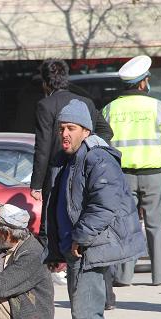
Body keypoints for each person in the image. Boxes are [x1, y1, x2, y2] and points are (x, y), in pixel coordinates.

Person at [45, 100, 145, 319]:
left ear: (85, 130)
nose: (64, 133)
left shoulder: (97, 159)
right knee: (83, 311)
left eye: (71, 128)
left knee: (87, 312)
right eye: (61, 128)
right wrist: (55, 250)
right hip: (77, 248)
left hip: (91, 247)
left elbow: (105, 205)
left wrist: (80, 237)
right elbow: (59, 207)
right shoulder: (67, 159)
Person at [102, 55, 161, 287]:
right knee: (156, 225)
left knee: (126, 225)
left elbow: (104, 145)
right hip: (153, 172)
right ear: (143, 82)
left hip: (121, 176)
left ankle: (123, 276)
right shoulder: (159, 107)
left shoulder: (109, 109)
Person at [30, 59, 114, 240]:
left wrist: (36, 184)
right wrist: (87, 149)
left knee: (51, 225)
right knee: (79, 217)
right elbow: (107, 131)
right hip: (83, 170)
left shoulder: (45, 105)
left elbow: (42, 148)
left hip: (56, 175)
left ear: (45, 83)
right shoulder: (86, 103)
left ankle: (53, 264)